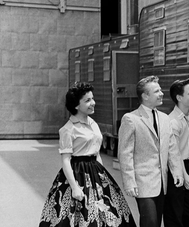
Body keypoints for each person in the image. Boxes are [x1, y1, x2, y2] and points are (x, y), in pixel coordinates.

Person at [39, 82, 136, 227]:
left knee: (108, 214)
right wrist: (74, 187)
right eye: (87, 100)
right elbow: (66, 160)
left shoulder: (93, 123)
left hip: (96, 172)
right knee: (78, 216)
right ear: (76, 106)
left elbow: (96, 153)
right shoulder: (68, 129)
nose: (93, 103)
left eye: (92, 98)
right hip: (77, 173)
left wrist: (103, 178)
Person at [118, 76, 184, 227]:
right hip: (142, 182)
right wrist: (129, 182)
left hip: (162, 182)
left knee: (157, 221)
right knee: (150, 222)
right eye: (157, 91)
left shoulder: (165, 118)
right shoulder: (130, 119)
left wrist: (177, 171)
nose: (161, 93)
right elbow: (125, 153)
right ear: (145, 96)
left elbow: (172, 148)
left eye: (160, 90)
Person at [164, 78, 189, 227]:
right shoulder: (172, 122)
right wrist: (184, 176)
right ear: (179, 98)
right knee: (175, 213)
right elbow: (175, 153)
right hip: (176, 168)